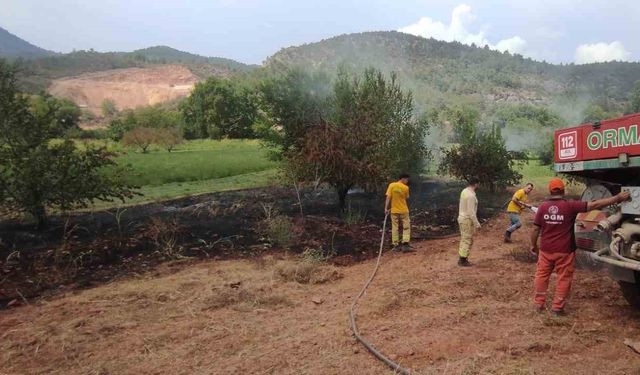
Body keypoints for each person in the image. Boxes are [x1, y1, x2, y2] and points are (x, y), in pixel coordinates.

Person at [530, 178, 630, 315]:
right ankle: (557, 308)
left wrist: (534, 245)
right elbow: (595, 204)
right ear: (563, 190)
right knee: (563, 278)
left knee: (541, 275)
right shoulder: (570, 206)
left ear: (550, 191)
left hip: (546, 249)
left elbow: (535, 229)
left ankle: (538, 304)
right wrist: (617, 198)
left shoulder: (542, 207)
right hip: (565, 250)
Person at [385, 174, 412, 252]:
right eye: (407, 180)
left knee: (395, 228)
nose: (407, 181)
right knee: (406, 227)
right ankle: (405, 245)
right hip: (404, 210)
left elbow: (388, 197)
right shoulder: (406, 188)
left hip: (394, 211)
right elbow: (406, 197)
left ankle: (396, 245)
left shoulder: (391, 185)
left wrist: (386, 208)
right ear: (403, 179)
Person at [457, 177, 481, 266]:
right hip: (467, 219)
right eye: (478, 184)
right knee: (467, 239)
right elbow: (471, 212)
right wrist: (477, 224)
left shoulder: (464, 191)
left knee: (464, 238)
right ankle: (462, 260)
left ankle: (463, 258)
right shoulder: (471, 196)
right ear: (476, 184)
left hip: (462, 218)